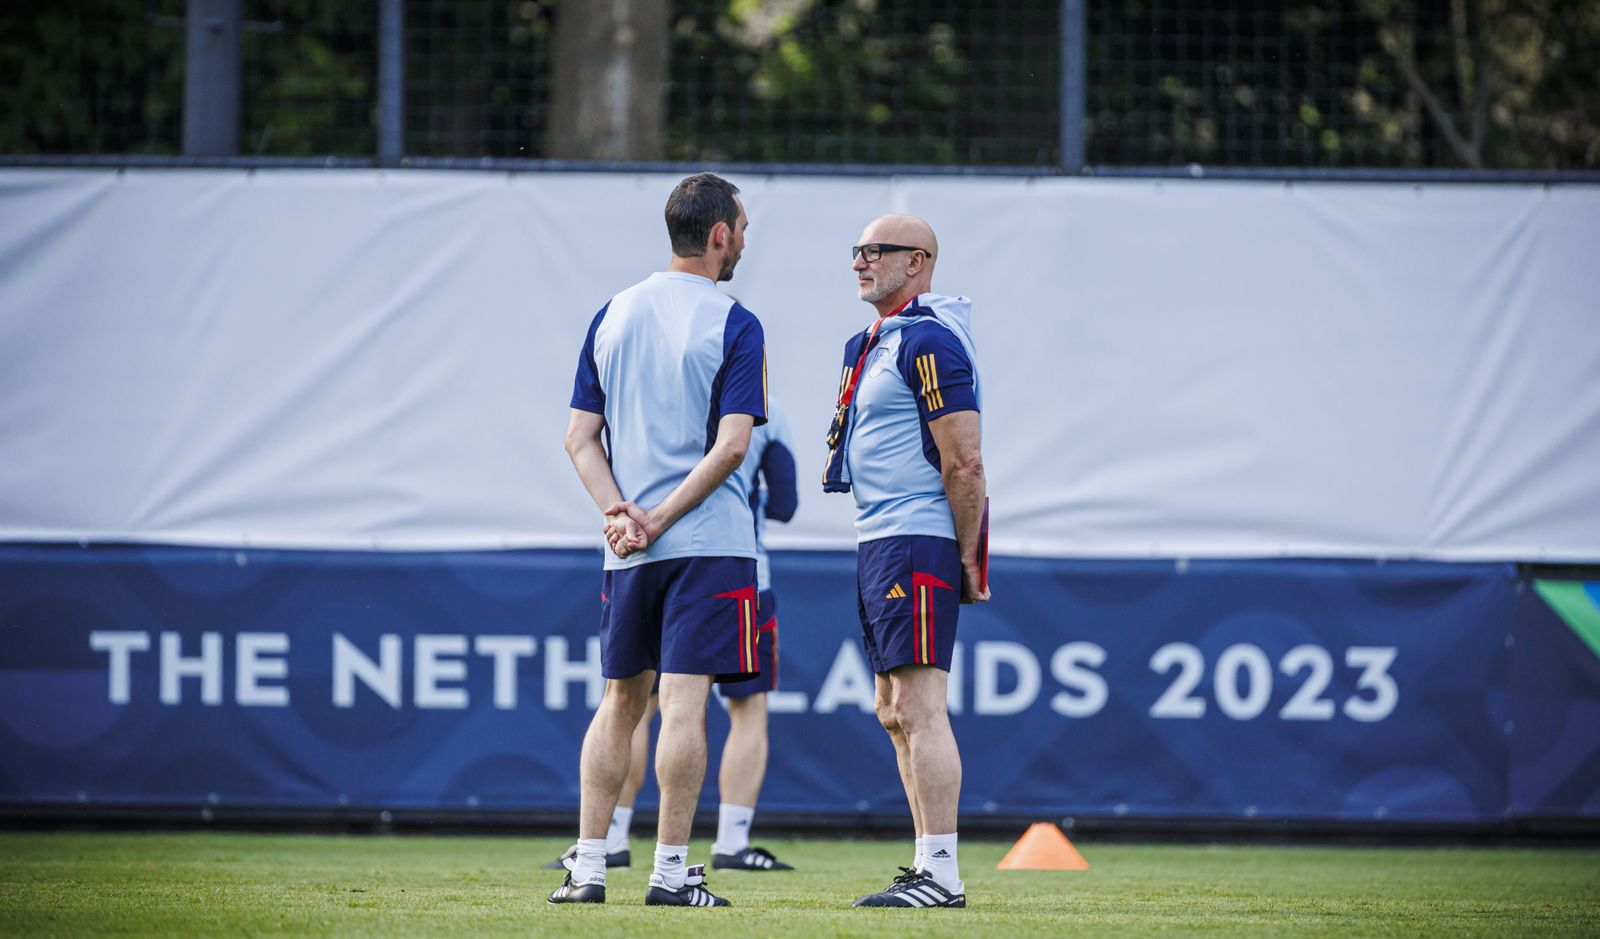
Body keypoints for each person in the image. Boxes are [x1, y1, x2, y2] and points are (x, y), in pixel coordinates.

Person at [551, 171, 765, 908]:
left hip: (628, 548)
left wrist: (620, 513)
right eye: (740, 231)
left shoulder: (612, 312)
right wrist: (662, 517)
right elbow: (733, 448)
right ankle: (671, 873)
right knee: (683, 705)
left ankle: (586, 868)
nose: (742, 243)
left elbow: (580, 437)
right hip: (706, 540)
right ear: (718, 237)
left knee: (618, 701)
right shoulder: (735, 321)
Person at [546, 398, 798, 873]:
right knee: (741, 711)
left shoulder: (643, 393)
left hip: (640, 558)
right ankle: (728, 842)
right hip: (730, 565)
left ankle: (609, 840)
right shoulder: (763, 408)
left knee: (630, 704)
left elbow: (582, 441)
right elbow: (785, 502)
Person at [821, 213, 988, 909]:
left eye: (874, 251)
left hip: (917, 539)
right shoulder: (875, 341)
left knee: (919, 705)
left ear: (916, 262)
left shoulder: (928, 340)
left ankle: (942, 873)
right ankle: (927, 863)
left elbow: (965, 461)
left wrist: (968, 557)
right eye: (856, 251)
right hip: (880, 537)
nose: (860, 262)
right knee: (892, 708)